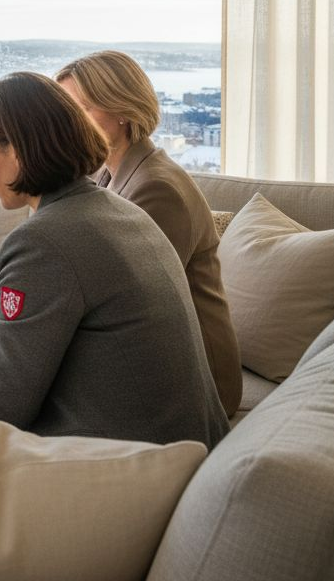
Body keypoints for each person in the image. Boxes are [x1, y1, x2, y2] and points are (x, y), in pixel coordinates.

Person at [0, 72, 228, 448]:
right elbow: (37, 353)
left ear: (18, 150)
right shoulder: (120, 211)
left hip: (120, 459)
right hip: (174, 445)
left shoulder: (41, 242)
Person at [55, 50, 241, 417]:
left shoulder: (157, 189)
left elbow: (126, 299)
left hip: (200, 380)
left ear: (122, 110)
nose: (67, 122)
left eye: (82, 108)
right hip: (151, 350)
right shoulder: (107, 172)